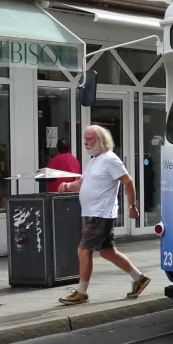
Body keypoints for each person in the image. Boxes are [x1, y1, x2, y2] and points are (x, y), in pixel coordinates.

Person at [57, 125, 150, 305]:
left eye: (90, 138)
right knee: (108, 252)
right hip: (93, 213)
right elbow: (83, 183)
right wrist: (68, 186)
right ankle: (139, 279)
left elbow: (128, 182)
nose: (85, 142)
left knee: (84, 250)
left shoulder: (110, 159)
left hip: (101, 213)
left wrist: (132, 206)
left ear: (102, 141)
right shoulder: (94, 161)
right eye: (85, 138)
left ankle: (81, 292)